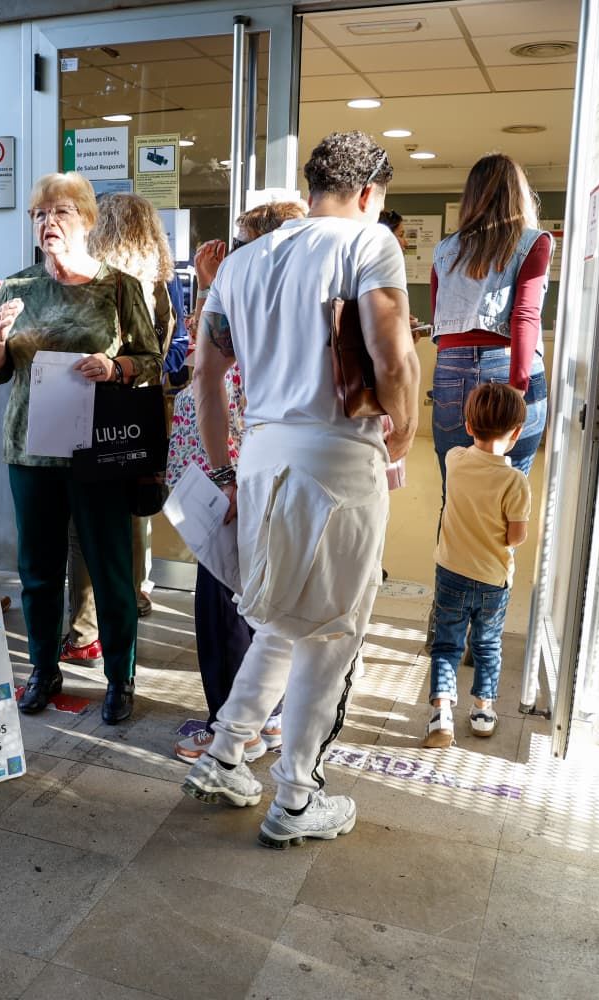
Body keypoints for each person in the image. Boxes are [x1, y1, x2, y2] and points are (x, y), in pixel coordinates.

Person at [180, 131, 420, 847]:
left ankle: (226, 755)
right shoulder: (369, 243)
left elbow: (205, 375)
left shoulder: (242, 262)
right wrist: (402, 434)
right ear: (369, 193)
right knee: (333, 631)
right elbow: (392, 357)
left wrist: (224, 468)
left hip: (262, 455)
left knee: (284, 617)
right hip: (337, 458)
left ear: (314, 187)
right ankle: (296, 797)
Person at [0, 172, 163, 725]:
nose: (48, 222)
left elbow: (151, 362)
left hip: (97, 451)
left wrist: (114, 366)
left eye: (61, 212)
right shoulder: (17, 288)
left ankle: (120, 677)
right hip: (30, 451)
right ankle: (43, 671)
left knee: (109, 568)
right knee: (37, 571)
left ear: (86, 221)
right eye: (40, 214)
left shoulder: (119, 287)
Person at [169, 200, 308, 764]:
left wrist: (226, 476)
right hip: (287, 476)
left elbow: (209, 373)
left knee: (224, 602)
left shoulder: (246, 298)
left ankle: (233, 727)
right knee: (270, 604)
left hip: (235, 477)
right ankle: (268, 719)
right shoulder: (303, 303)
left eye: (243, 245)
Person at [61, 192, 180, 653]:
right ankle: (129, 602)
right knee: (132, 514)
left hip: (95, 410)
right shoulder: (159, 286)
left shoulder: (97, 283)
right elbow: (163, 351)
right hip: (142, 412)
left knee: (86, 525)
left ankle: (84, 629)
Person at [429, 154, 552, 483]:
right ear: (519, 194)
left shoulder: (444, 249)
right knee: (510, 489)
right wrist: (518, 387)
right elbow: (525, 314)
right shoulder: (532, 242)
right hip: (510, 364)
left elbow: (439, 317)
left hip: (451, 369)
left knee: (456, 490)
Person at [421, 383, 530, 749]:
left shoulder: (454, 459)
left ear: (468, 425)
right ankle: (482, 712)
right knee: (486, 644)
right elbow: (515, 537)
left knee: (446, 644)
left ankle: (441, 714)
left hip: (451, 572)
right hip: (492, 579)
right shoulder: (515, 482)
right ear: (516, 433)